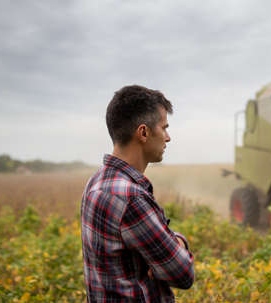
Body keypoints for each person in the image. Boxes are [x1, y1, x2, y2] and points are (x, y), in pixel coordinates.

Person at [80, 85, 194, 302]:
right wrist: (178, 242)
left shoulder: (96, 182)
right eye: (164, 127)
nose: (168, 137)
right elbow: (183, 274)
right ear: (143, 132)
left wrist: (166, 247)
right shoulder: (131, 197)